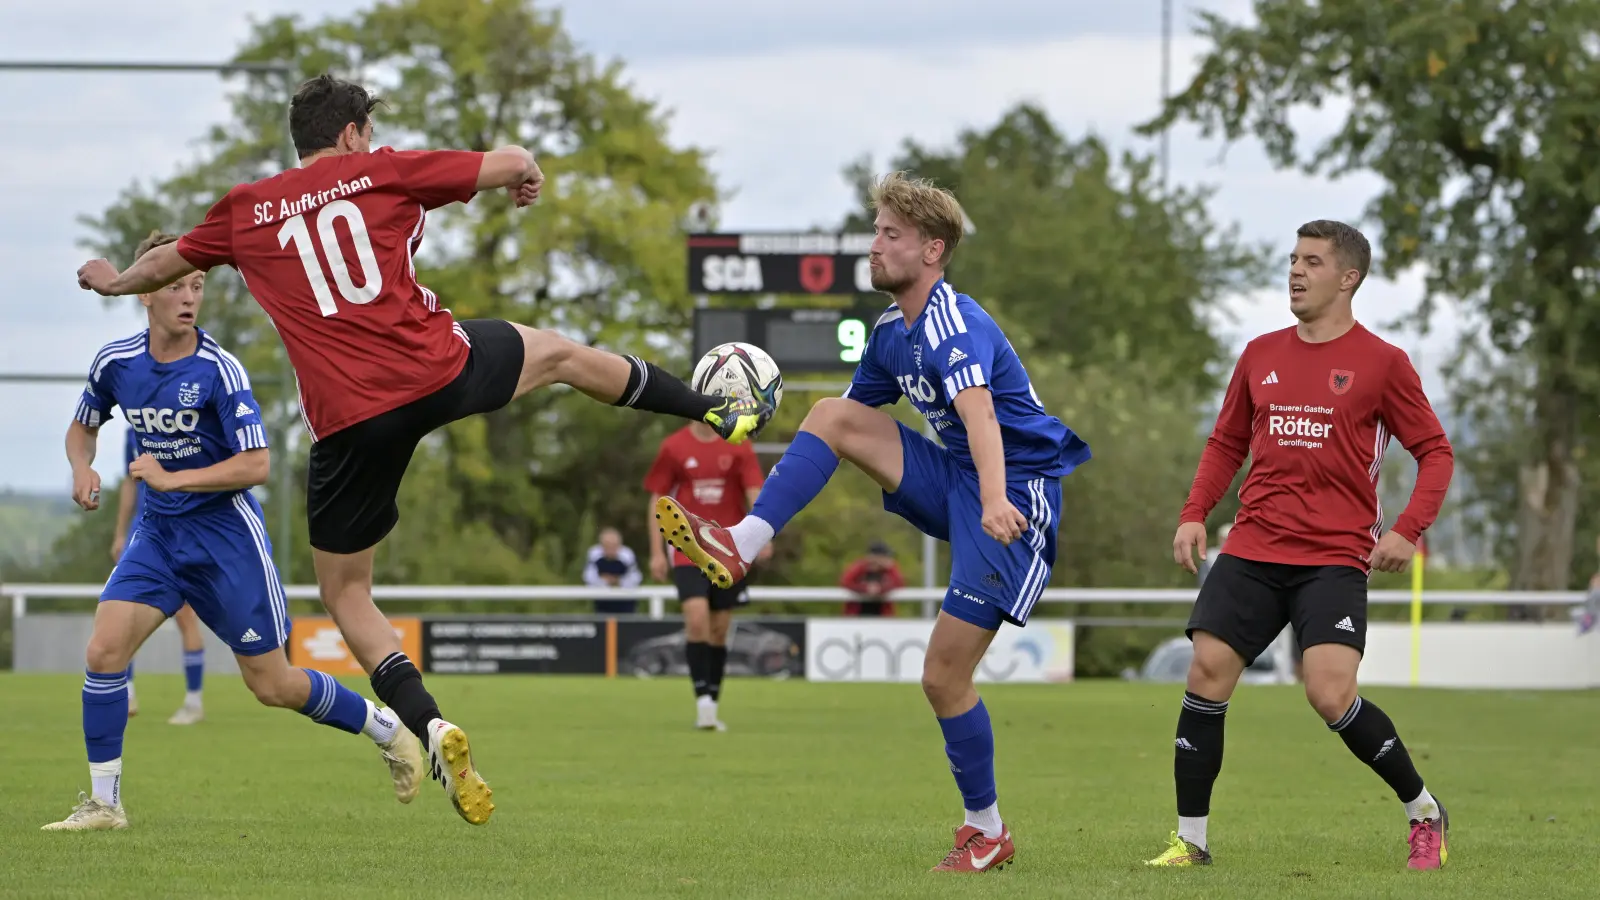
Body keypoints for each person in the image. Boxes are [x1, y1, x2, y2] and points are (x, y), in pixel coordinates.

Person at [75, 75, 772, 826]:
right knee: (564, 356)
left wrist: (116, 284)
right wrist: (526, 173)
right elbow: (507, 159)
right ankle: (714, 408)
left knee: (346, 596)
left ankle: (428, 723)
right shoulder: (381, 170)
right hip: (437, 370)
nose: (369, 140)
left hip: (348, 423)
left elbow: (167, 260)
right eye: (366, 130)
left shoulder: (247, 211)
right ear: (348, 135)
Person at [656, 172, 1091, 872]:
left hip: (1013, 494)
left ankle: (987, 831)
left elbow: (979, 413)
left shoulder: (953, 322)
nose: (875, 245)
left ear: (933, 251)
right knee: (829, 414)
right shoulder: (893, 333)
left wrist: (991, 499)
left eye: (892, 234)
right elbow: (845, 431)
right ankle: (742, 541)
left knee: (942, 676)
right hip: (960, 482)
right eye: (876, 230)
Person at [47, 231, 422, 832]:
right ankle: (104, 803)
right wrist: (82, 465)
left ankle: (385, 728)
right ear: (145, 292)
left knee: (272, 685)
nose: (189, 296)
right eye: (175, 284)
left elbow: (257, 465)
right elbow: (81, 427)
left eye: (197, 283)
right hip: (158, 538)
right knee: (103, 650)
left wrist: (173, 478)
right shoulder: (117, 363)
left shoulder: (220, 369)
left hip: (225, 540)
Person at [1147, 220, 1455, 871]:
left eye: (1311, 262)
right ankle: (1190, 841)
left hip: (1334, 558)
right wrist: (1194, 512)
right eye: (1292, 259)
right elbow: (1226, 441)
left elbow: (1434, 451)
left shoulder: (1383, 363)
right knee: (1205, 673)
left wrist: (1406, 530)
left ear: (1349, 278)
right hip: (1254, 547)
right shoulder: (1260, 353)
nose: (1295, 271)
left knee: (1328, 692)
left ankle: (1424, 811)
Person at [645, 419, 768, 731]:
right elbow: (656, 500)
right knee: (696, 619)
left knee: (719, 629)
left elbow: (755, 490)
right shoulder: (674, 446)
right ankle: (702, 702)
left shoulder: (739, 444)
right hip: (688, 550)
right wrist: (657, 552)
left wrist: (764, 535)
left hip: (728, 549)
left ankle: (712, 699)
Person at [113, 427, 206, 725]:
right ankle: (125, 692)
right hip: (145, 530)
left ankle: (193, 701)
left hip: (185, 529)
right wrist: (119, 533)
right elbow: (130, 483)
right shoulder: (133, 432)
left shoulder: (189, 423)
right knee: (124, 610)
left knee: (185, 615)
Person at [583, 526, 643, 615]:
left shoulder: (627, 555)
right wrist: (604, 581)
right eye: (607, 546)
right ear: (602, 545)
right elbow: (588, 577)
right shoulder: (594, 554)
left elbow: (636, 578)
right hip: (602, 603)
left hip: (625, 603)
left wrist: (619, 582)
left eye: (614, 546)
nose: (611, 549)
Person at [839, 541, 905, 617]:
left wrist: (881, 589)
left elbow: (899, 583)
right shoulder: (860, 567)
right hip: (857, 615)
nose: (886, 559)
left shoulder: (888, 570)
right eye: (883, 556)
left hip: (882, 616)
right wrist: (865, 589)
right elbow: (845, 581)